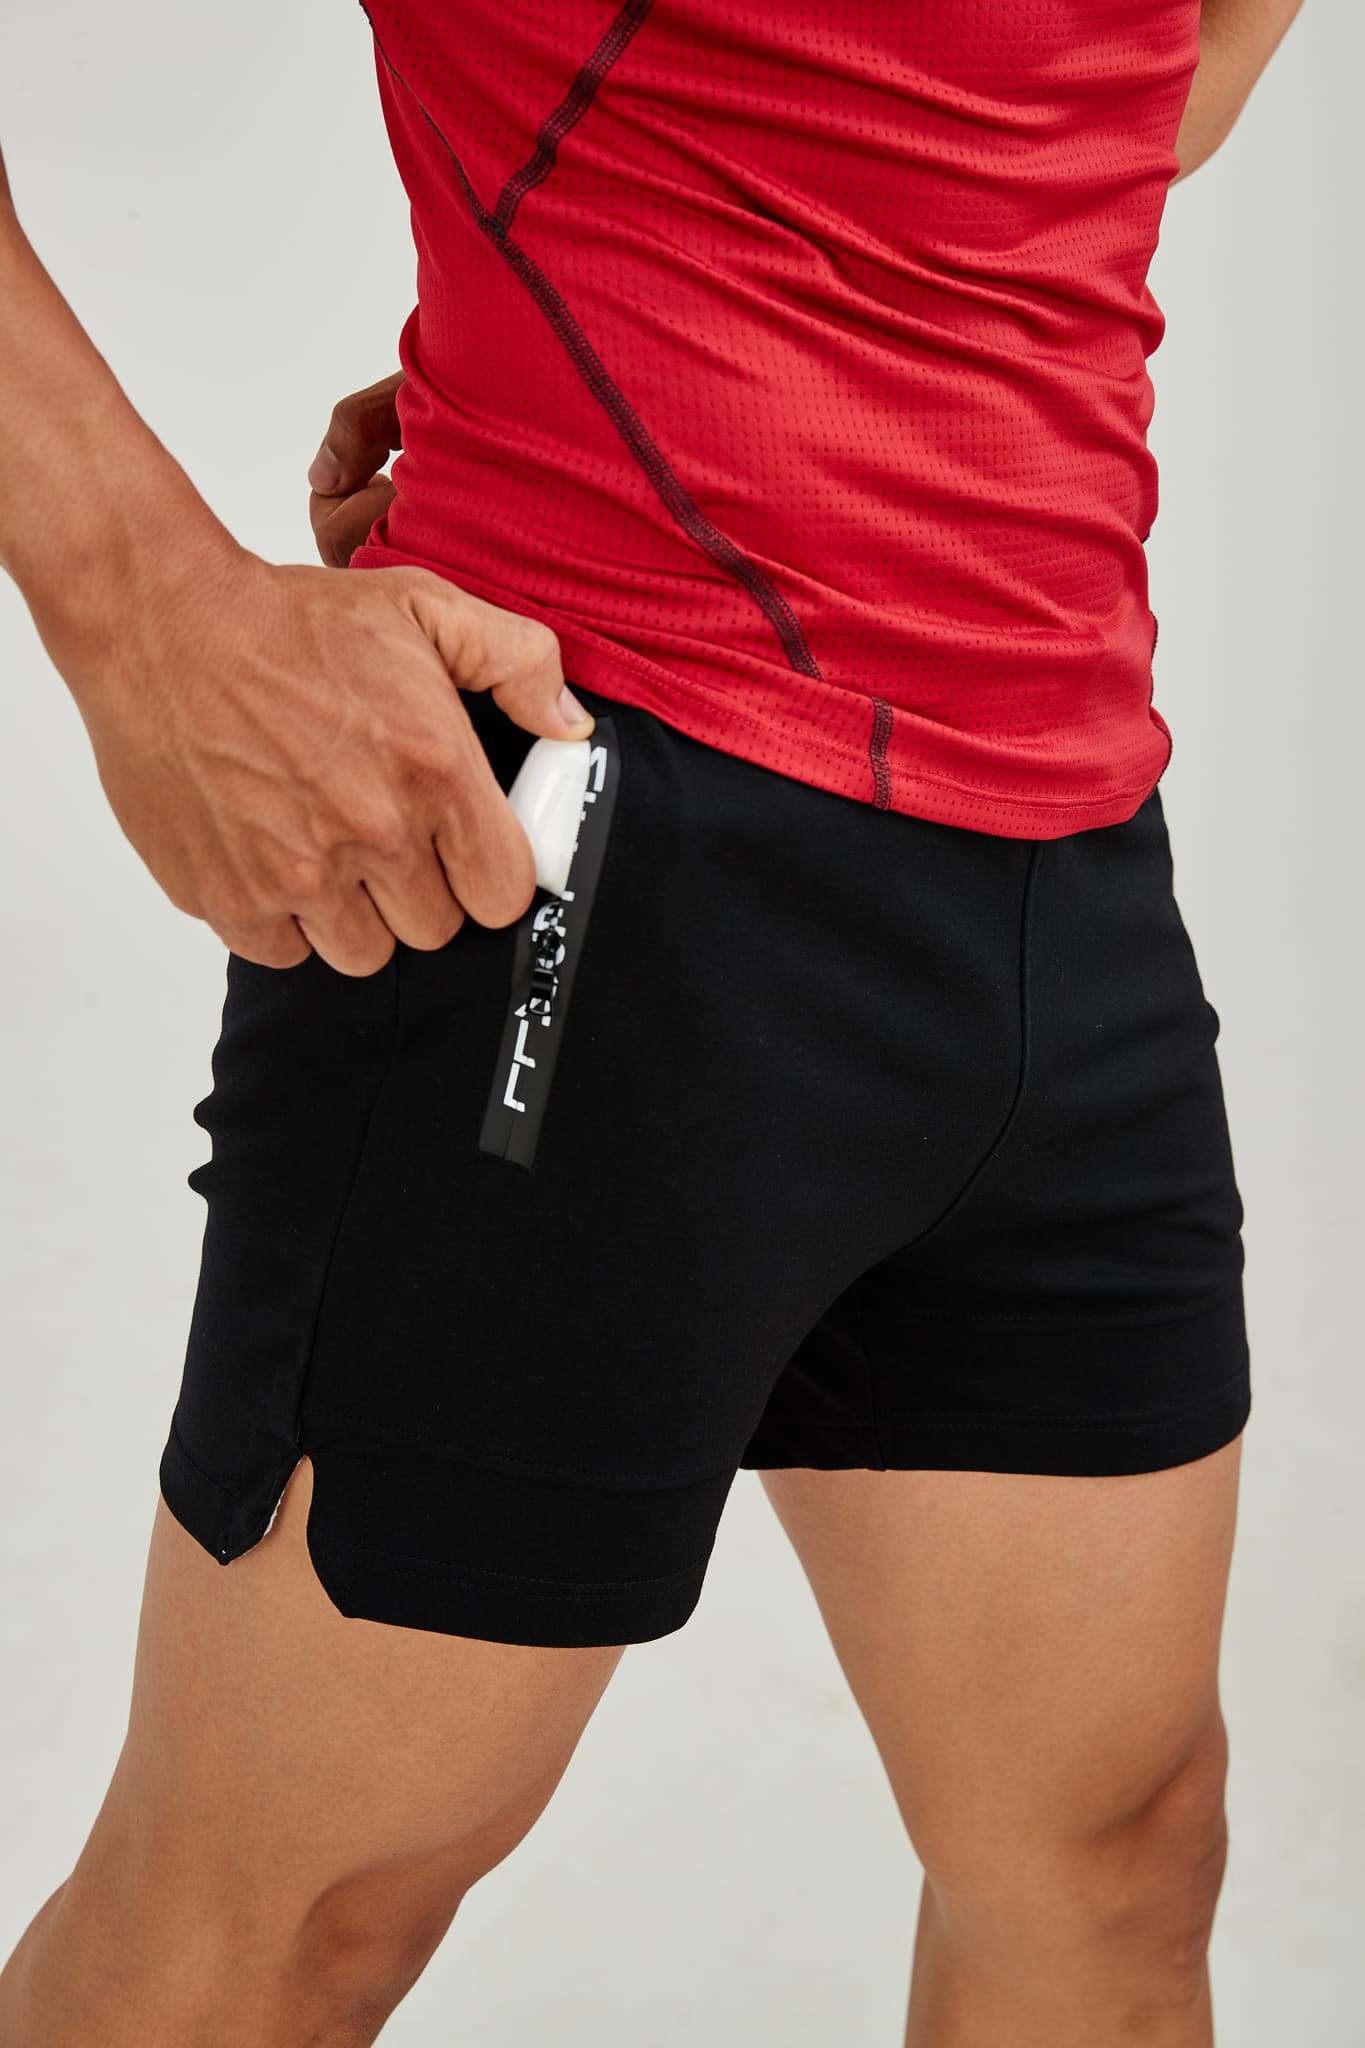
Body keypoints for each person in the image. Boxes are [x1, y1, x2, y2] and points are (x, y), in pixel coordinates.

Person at [0, 1, 1306, 2041]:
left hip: (1066, 868)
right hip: (596, 832)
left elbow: (1139, 75)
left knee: (1110, 1856)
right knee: (285, 1925)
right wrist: (137, 600)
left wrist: (732, 259)